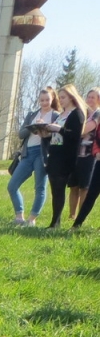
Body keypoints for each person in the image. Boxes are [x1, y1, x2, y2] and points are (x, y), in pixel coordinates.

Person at [7, 86, 59, 226]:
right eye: (41, 100)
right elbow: (20, 134)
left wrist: (46, 128)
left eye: (47, 99)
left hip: (43, 153)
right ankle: (19, 216)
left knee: (40, 187)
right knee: (12, 185)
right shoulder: (32, 114)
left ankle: (32, 219)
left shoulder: (56, 115)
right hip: (27, 152)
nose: (44, 103)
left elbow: (58, 137)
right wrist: (33, 126)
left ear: (52, 98)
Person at [42, 84, 86, 229]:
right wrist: (46, 134)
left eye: (63, 97)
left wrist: (58, 129)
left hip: (65, 157)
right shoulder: (61, 114)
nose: (60, 100)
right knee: (55, 190)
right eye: (59, 97)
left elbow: (74, 136)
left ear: (71, 97)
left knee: (59, 189)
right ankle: (56, 222)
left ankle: (55, 223)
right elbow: (56, 137)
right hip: (54, 154)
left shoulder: (77, 113)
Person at [70, 87, 99, 220]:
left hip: (90, 155)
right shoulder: (82, 113)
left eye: (93, 97)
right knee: (73, 186)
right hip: (76, 153)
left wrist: (74, 131)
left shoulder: (97, 114)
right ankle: (71, 215)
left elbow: (84, 130)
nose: (90, 100)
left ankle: (80, 217)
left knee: (84, 187)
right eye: (88, 97)